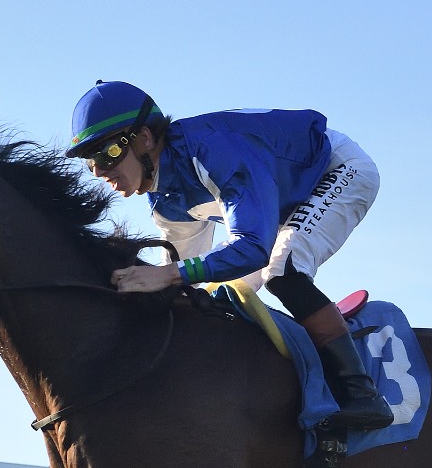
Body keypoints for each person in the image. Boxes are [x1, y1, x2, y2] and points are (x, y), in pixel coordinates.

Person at [68, 81, 393, 430]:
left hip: (336, 169)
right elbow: (180, 276)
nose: (100, 171)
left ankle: (363, 395)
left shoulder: (211, 150)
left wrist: (169, 275)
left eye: (108, 153)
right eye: (91, 162)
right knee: (223, 296)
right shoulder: (163, 199)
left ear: (145, 138)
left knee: (282, 271)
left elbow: (252, 247)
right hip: (282, 198)